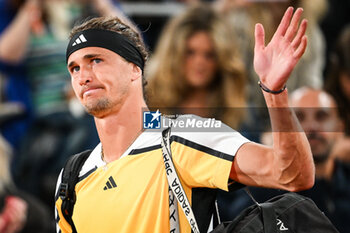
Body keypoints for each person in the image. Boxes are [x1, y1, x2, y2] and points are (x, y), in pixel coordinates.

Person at [55, 7, 314, 233]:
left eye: (96, 60)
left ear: (135, 69)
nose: (83, 76)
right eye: (74, 67)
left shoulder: (185, 135)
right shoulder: (71, 176)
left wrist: (274, 91)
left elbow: (291, 175)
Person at [218, 87, 350, 233]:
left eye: (321, 116)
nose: (311, 127)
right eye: (299, 117)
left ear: (340, 127)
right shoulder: (261, 188)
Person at [146, 4, 246, 130]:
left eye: (209, 55)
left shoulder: (231, 108)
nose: (200, 63)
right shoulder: (150, 100)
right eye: (190, 52)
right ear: (174, 53)